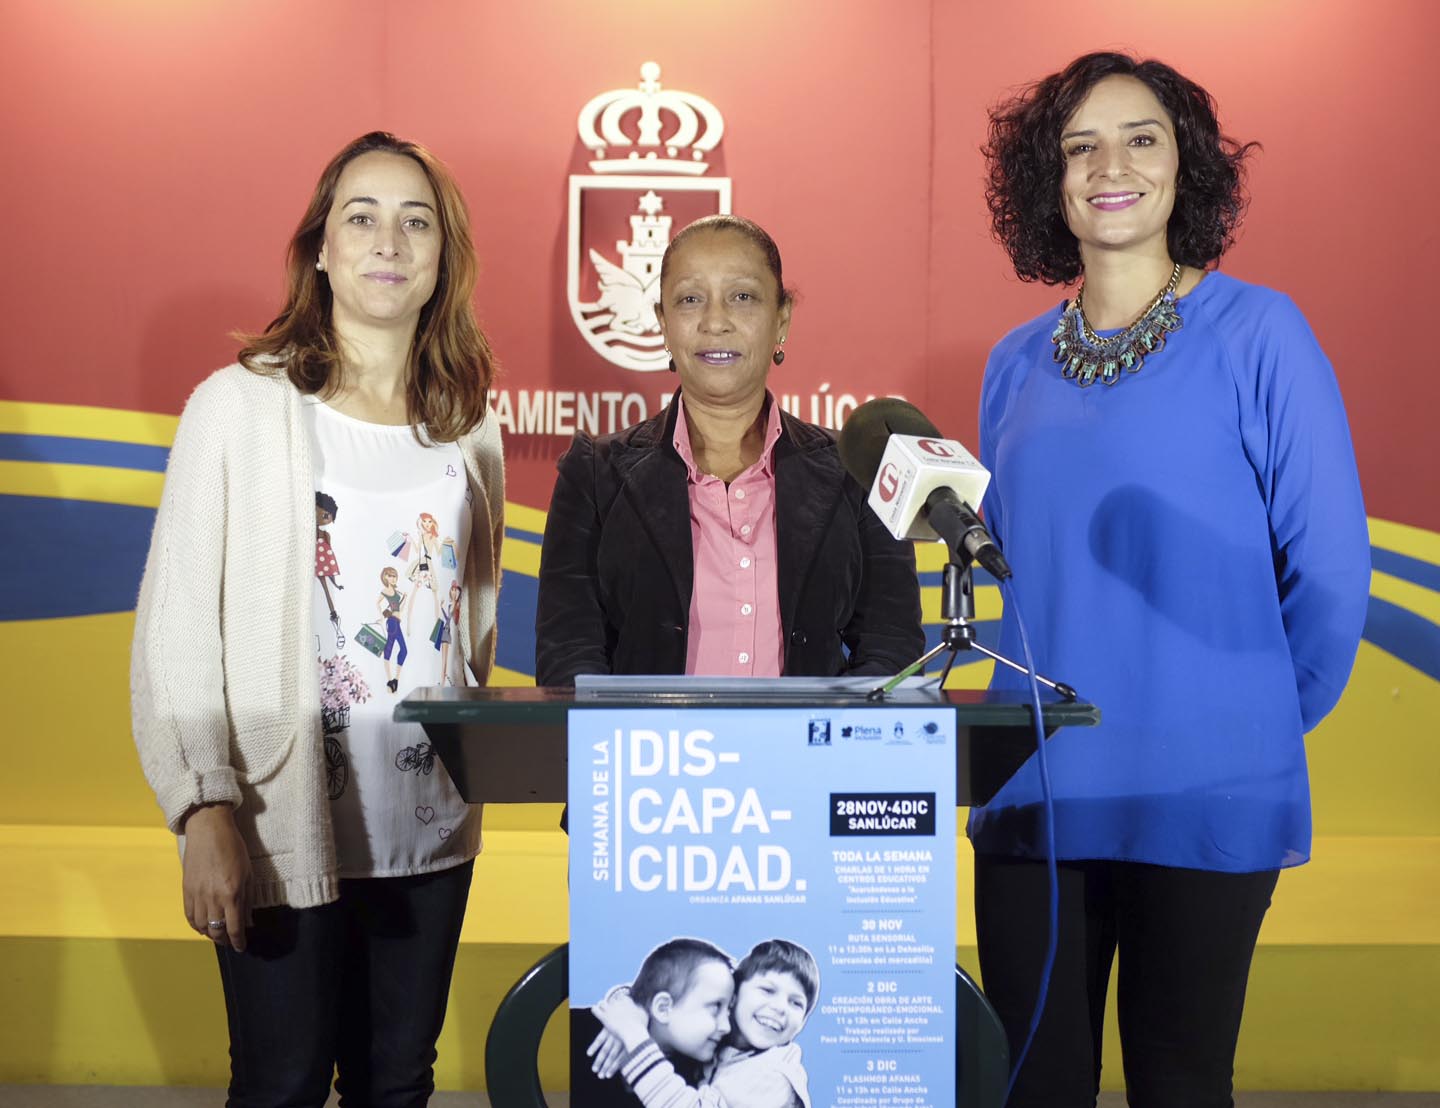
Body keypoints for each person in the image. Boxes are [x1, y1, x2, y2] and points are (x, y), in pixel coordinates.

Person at [971, 52, 1369, 1106]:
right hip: (1035, 793)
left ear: (1184, 166)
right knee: (1029, 1084)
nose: (1113, 164)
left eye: (1142, 137)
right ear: (1047, 181)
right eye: (1080, 144)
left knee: (1180, 1083)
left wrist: (1251, 730)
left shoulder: (1261, 334)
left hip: (1205, 793)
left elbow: (1329, 574)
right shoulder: (1011, 362)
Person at [130, 130, 504, 1107]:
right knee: (282, 1084)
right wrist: (203, 806)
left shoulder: (466, 422)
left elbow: (471, 618)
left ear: (440, 261)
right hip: (278, 824)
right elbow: (177, 632)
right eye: (363, 217)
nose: (390, 239)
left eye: (416, 221)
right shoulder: (241, 407)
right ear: (322, 250)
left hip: (429, 831)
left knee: (398, 1084)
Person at [535, 214, 923, 685]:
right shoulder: (594, 476)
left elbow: (891, 644)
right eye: (690, 299)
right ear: (662, 322)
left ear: (782, 319)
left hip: (809, 755)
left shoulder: (856, 470)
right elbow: (568, 656)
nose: (715, 322)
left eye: (742, 297)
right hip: (649, 753)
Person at [596, 938, 819, 1108]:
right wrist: (633, 1007)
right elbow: (667, 983)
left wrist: (634, 1034)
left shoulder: (774, 1075)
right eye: (768, 990)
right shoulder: (723, 1046)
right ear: (735, 993)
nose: (781, 1008)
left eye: (797, 1004)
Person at [572, 938, 737, 1107]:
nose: (726, 1027)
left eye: (729, 1010)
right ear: (663, 1008)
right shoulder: (578, 1031)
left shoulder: (699, 1078)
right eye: (716, 1007)